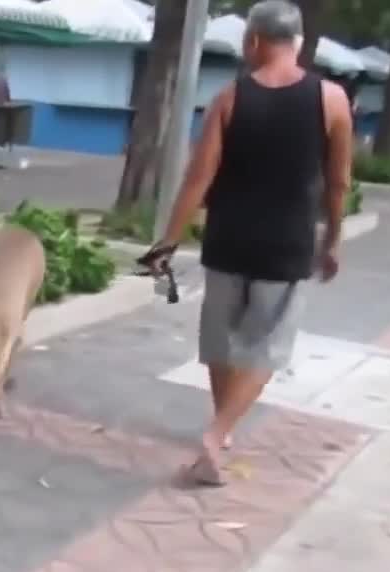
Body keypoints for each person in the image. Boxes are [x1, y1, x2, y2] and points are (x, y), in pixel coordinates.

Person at [139, 0, 354, 486]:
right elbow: (338, 182)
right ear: (296, 43)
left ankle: (221, 428)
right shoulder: (333, 100)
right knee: (265, 347)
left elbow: (197, 179)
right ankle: (219, 433)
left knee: (221, 341)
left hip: (229, 240)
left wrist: (166, 244)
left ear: (254, 41)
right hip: (287, 245)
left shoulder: (230, 98)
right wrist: (332, 240)